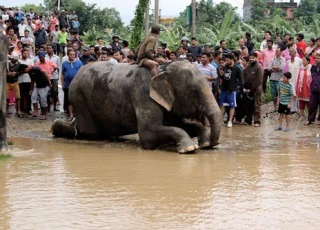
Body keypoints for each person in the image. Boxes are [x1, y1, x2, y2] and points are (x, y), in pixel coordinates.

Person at [219, 53, 244, 128]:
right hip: (224, 89)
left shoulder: (237, 68)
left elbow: (241, 81)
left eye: (227, 60)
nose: (226, 61)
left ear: (232, 60)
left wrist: (234, 87)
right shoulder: (225, 67)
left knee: (232, 106)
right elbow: (223, 78)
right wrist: (221, 75)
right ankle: (220, 120)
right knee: (222, 105)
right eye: (225, 60)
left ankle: (230, 121)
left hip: (232, 91)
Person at [243, 52, 264, 126]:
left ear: (256, 58)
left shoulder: (259, 67)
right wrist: (245, 87)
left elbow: (259, 80)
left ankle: (257, 121)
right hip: (248, 89)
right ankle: (248, 120)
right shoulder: (248, 67)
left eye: (253, 58)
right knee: (248, 105)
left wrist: (251, 88)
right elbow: (244, 76)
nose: (251, 59)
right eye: (250, 58)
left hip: (256, 90)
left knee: (256, 105)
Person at [61, 49, 83, 119]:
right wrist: (62, 84)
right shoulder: (64, 63)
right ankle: (71, 114)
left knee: (76, 99)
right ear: (68, 55)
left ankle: (76, 113)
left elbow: (82, 73)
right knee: (69, 100)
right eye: (71, 54)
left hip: (76, 85)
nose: (72, 56)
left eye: (73, 54)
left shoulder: (79, 62)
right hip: (67, 84)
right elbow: (62, 75)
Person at [268, 47, 286, 112]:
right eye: (276, 51)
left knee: (280, 94)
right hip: (272, 78)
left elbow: (281, 68)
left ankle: (281, 107)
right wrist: (275, 68)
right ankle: (275, 107)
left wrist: (274, 68)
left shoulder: (283, 59)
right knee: (273, 94)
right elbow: (269, 68)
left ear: (281, 52)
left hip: (279, 79)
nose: (276, 52)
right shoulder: (272, 59)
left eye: (277, 51)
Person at [286, 47, 302, 113]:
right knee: (291, 93)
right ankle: (293, 109)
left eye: (291, 51)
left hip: (297, 79)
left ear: (295, 52)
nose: (290, 53)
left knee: (298, 94)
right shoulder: (288, 61)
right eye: (289, 51)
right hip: (290, 80)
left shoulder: (299, 60)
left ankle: (299, 109)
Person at [45, 44, 60, 112]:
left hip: (54, 77)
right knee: (47, 92)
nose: (48, 49)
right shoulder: (45, 57)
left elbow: (58, 67)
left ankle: (54, 106)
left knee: (55, 92)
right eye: (47, 48)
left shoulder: (56, 57)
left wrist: (58, 76)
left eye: (50, 48)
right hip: (46, 77)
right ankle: (47, 107)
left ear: (53, 49)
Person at [306, 54, 320, 125]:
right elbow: (311, 76)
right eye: (316, 58)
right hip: (314, 88)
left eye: (318, 58)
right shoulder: (313, 67)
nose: (316, 59)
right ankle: (310, 120)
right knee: (312, 104)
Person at [18, 49, 33, 115]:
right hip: (20, 80)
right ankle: (21, 109)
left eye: (27, 53)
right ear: (21, 53)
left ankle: (29, 109)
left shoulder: (30, 61)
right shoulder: (18, 61)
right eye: (24, 53)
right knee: (21, 95)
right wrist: (25, 71)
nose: (25, 55)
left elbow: (31, 70)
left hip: (28, 80)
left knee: (28, 95)